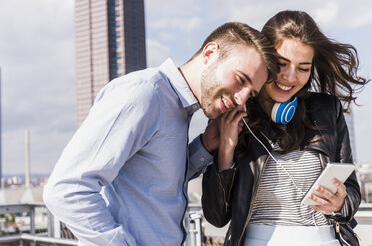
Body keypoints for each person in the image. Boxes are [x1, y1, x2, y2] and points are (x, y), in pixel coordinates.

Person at [43, 22, 278, 246]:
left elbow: (152, 181)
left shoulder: (177, 108)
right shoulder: (144, 94)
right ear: (209, 53)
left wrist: (206, 145)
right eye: (240, 80)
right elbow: (67, 189)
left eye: (251, 94)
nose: (241, 99)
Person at [202, 11, 369, 246]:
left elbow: (351, 191)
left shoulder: (327, 109)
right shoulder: (233, 113)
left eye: (303, 68)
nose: (290, 77)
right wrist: (226, 150)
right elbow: (216, 217)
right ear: (264, 58)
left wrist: (340, 202)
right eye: (281, 64)